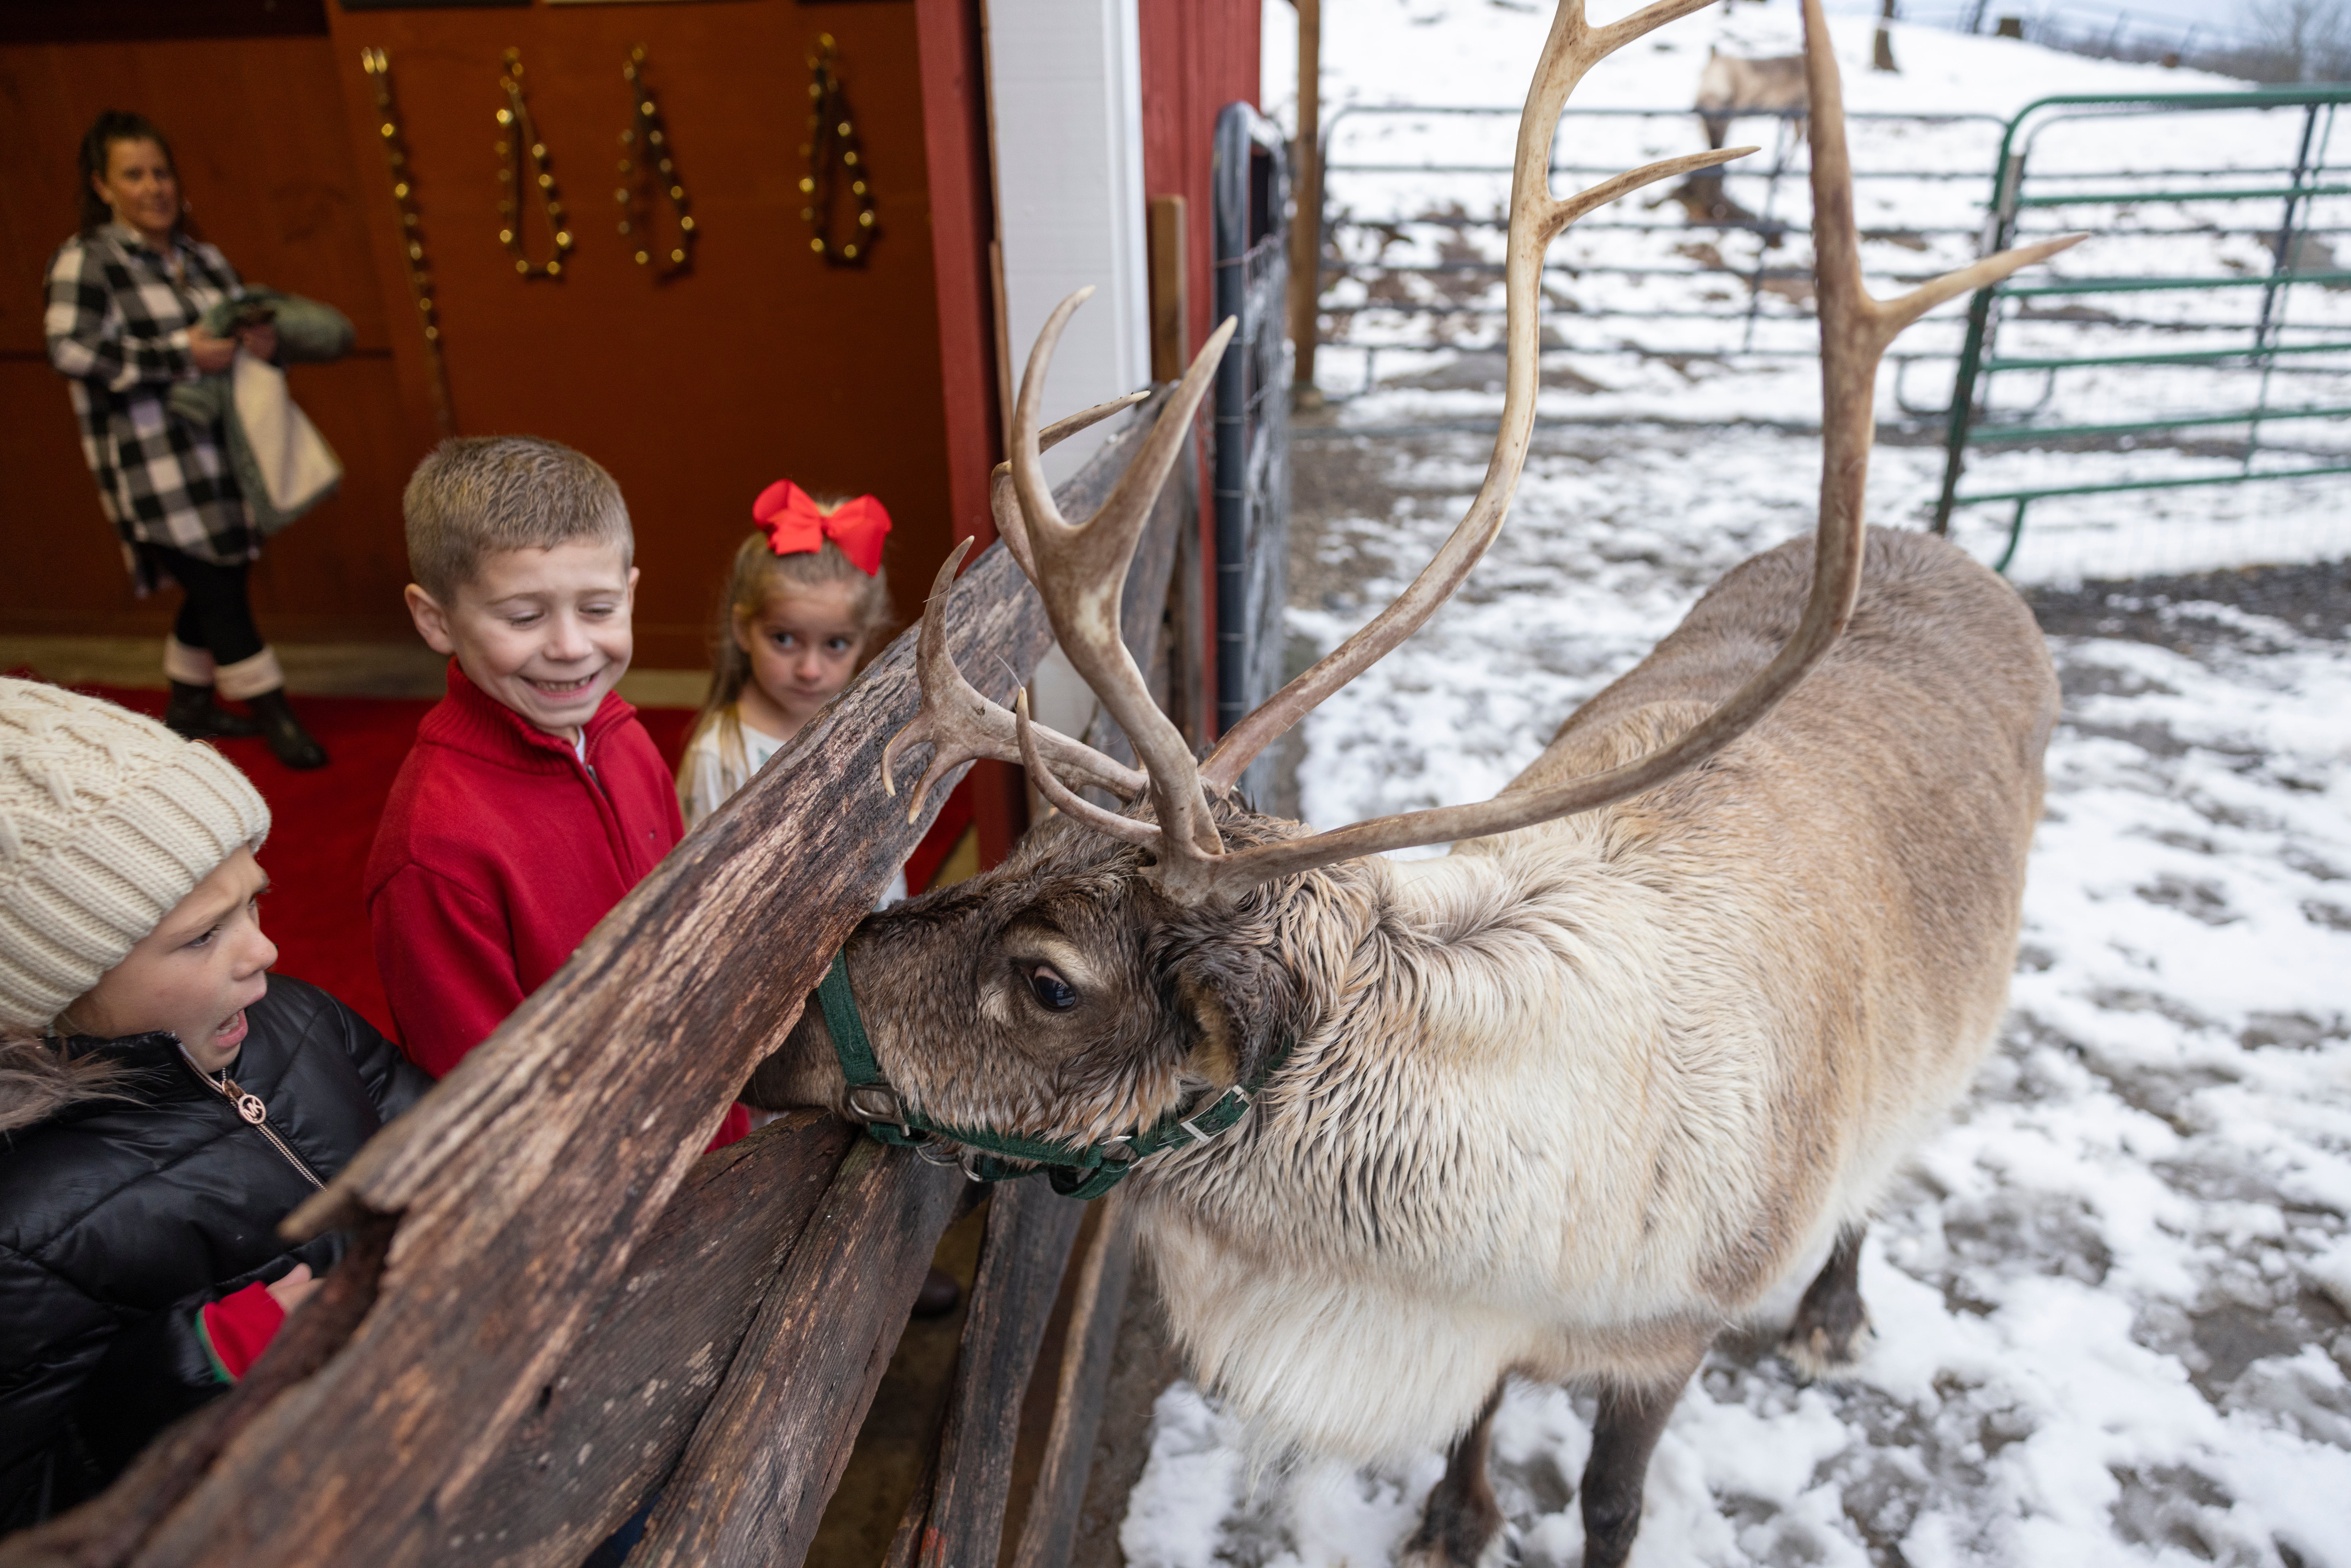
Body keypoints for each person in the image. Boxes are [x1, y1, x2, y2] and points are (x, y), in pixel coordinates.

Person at [0, 679, 428, 1532]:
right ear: (54, 983)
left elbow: (423, 1122)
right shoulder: (27, 1230)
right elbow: (34, 1502)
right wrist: (201, 1361)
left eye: (253, 901)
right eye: (203, 935)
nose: (264, 948)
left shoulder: (296, 1018)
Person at [364, 436, 750, 1146]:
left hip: (706, 1122)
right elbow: (483, 1103)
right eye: (523, 617)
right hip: (599, 1181)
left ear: (631, 592)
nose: (571, 647)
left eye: (599, 609)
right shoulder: (434, 851)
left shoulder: (623, 737)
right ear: (435, 619)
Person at [41, 110, 328, 770]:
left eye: (161, 172)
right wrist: (181, 354)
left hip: (228, 452)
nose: (153, 188)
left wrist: (260, 344)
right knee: (220, 584)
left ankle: (190, 705)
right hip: (156, 463)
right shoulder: (88, 258)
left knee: (220, 577)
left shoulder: (204, 260)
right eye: (133, 175)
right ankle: (273, 711)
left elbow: (237, 343)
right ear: (102, 186)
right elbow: (69, 350)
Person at [676, 480, 897, 852]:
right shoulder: (718, 757)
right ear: (743, 630)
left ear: (863, 641)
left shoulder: (869, 730)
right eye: (784, 639)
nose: (810, 670)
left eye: (836, 645)